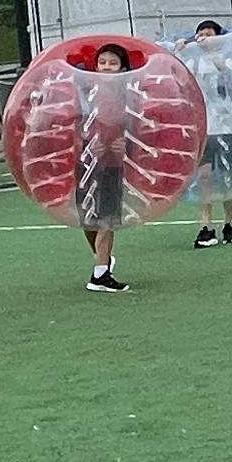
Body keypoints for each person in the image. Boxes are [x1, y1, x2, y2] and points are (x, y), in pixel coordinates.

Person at [78, 42, 139, 294]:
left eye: (113, 63)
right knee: (87, 218)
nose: (106, 67)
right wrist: (87, 145)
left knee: (107, 217)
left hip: (113, 164)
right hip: (85, 161)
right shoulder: (85, 90)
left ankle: (100, 273)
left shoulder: (129, 95)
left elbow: (136, 127)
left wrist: (124, 144)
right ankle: (101, 259)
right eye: (102, 62)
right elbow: (75, 122)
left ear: (123, 68)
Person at [187, 19, 232, 249]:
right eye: (199, 34)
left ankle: (228, 223)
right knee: (204, 177)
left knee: (228, 176)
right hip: (204, 128)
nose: (203, 38)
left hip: (228, 126)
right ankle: (206, 226)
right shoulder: (193, 63)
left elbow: (231, 79)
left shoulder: (226, 59)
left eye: (208, 34)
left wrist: (217, 58)